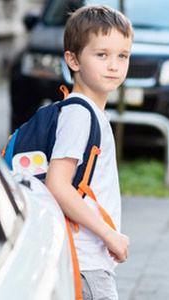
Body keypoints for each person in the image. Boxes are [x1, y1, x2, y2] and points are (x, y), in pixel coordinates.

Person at [45, 5, 133, 300]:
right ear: (73, 60)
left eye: (122, 56)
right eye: (102, 54)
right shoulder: (80, 114)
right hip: (85, 263)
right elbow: (57, 185)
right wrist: (109, 235)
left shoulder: (88, 112)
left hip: (87, 262)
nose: (114, 65)